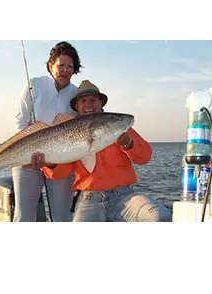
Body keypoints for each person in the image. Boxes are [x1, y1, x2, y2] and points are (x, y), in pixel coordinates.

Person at [30, 80, 172, 222]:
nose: (88, 105)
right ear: (77, 106)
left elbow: (145, 157)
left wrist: (128, 144)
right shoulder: (68, 132)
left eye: (93, 100)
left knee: (159, 216)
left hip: (124, 197)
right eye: (83, 101)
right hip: (88, 200)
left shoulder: (119, 126)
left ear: (101, 104)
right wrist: (49, 164)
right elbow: (62, 172)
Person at [12, 41, 82, 221]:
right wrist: (30, 153)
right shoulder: (34, 84)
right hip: (28, 158)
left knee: (62, 217)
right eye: (61, 65)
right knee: (23, 217)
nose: (65, 70)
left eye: (70, 67)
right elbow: (21, 121)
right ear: (50, 66)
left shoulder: (77, 94)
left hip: (60, 162)